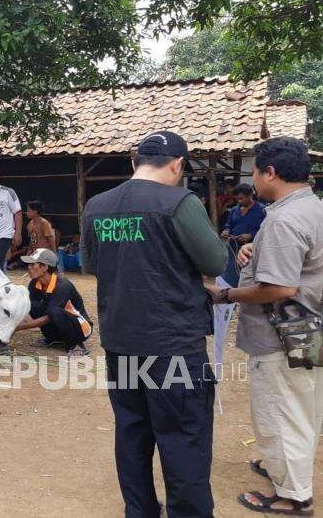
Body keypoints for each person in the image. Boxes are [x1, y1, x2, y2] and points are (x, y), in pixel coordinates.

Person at [81, 131, 228, 518]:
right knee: (183, 439)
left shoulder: (96, 205)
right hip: (173, 345)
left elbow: (91, 265)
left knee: (132, 431)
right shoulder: (180, 202)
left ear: (134, 162)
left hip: (121, 341)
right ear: (178, 165)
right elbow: (215, 263)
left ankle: (140, 510)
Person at [206, 137, 323, 516]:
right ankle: (286, 470)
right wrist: (255, 250)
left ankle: (293, 495)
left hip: (282, 334)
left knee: (279, 409)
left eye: (255, 171)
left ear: (270, 172)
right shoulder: (311, 208)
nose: (252, 179)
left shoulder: (284, 219)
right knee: (302, 405)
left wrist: (225, 295)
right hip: (308, 327)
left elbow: (280, 287)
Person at [14, 248, 91, 356]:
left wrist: (18, 327)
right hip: (58, 320)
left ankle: (76, 345)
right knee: (31, 305)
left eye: (32, 265)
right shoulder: (34, 284)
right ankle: (52, 338)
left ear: (44, 267)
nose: (28, 267)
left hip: (81, 328)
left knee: (54, 311)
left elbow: (49, 316)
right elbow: (29, 308)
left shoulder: (62, 286)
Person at [220, 183, 266, 286]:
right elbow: (228, 225)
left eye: (241, 198)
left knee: (249, 276)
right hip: (234, 248)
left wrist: (251, 235)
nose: (239, 201)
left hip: (252, 250)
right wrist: (226, 231)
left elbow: (267, 231)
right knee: (231, 274)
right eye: (237, 199)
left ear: (250, 195)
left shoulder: (262, 210)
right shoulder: (234, 210)